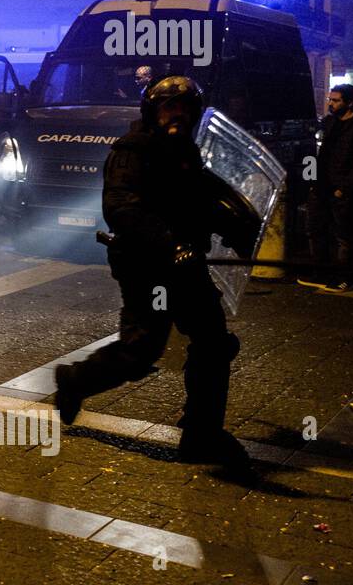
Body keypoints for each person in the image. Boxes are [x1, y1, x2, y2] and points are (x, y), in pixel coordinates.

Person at [53, 76, 258, 470]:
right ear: (153, 111)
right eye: (169, 107)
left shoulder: (184, 151)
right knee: (141, 350)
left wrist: (233, 229)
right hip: (146, 266)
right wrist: (171, 244)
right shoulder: (133, 151)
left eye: (185, 108)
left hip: (186, 265)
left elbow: (197, 202)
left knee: (214, 343)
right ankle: (75, 380)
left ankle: (202, 434)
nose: (177, 114)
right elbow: (122, 209)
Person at [303, 84, 353, 291]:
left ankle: (346, 276)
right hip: (320, 186)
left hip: (341, 189)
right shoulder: (329, 123)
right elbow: (316, 152)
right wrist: (311, 182)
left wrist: (344, 188)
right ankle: (321, 271)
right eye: (330, 99)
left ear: (350, 103)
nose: (330, 103)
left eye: (336, 100)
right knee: (315, 229)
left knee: (343, 234)